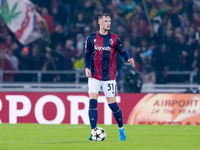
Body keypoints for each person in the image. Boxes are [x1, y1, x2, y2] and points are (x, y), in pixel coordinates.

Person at [84, 13, 134, 141]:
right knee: (92, 103)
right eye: (106, 21)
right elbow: (86, 55)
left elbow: (122, 52)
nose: (108, 23)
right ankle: (93, 131)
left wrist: (128, 59)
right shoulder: (91, 38)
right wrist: (87, 68)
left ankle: (121, 129)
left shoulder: (115, 39)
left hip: (109, 77)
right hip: (94, 76)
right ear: (99, 22)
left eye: (109, 21)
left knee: (112, 106)